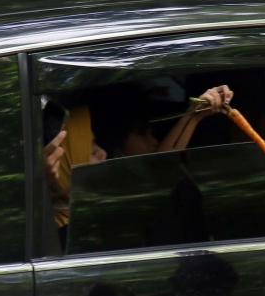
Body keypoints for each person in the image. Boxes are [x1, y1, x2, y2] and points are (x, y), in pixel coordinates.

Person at [43, 84, 234, 229]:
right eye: (91, 151)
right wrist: (192, 116)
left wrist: (194, 116)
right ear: (64, 165)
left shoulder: (102, 202)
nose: (103, 154)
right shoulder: (63, 228)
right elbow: (160, 170)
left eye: (98, 146)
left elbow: (159, 168)